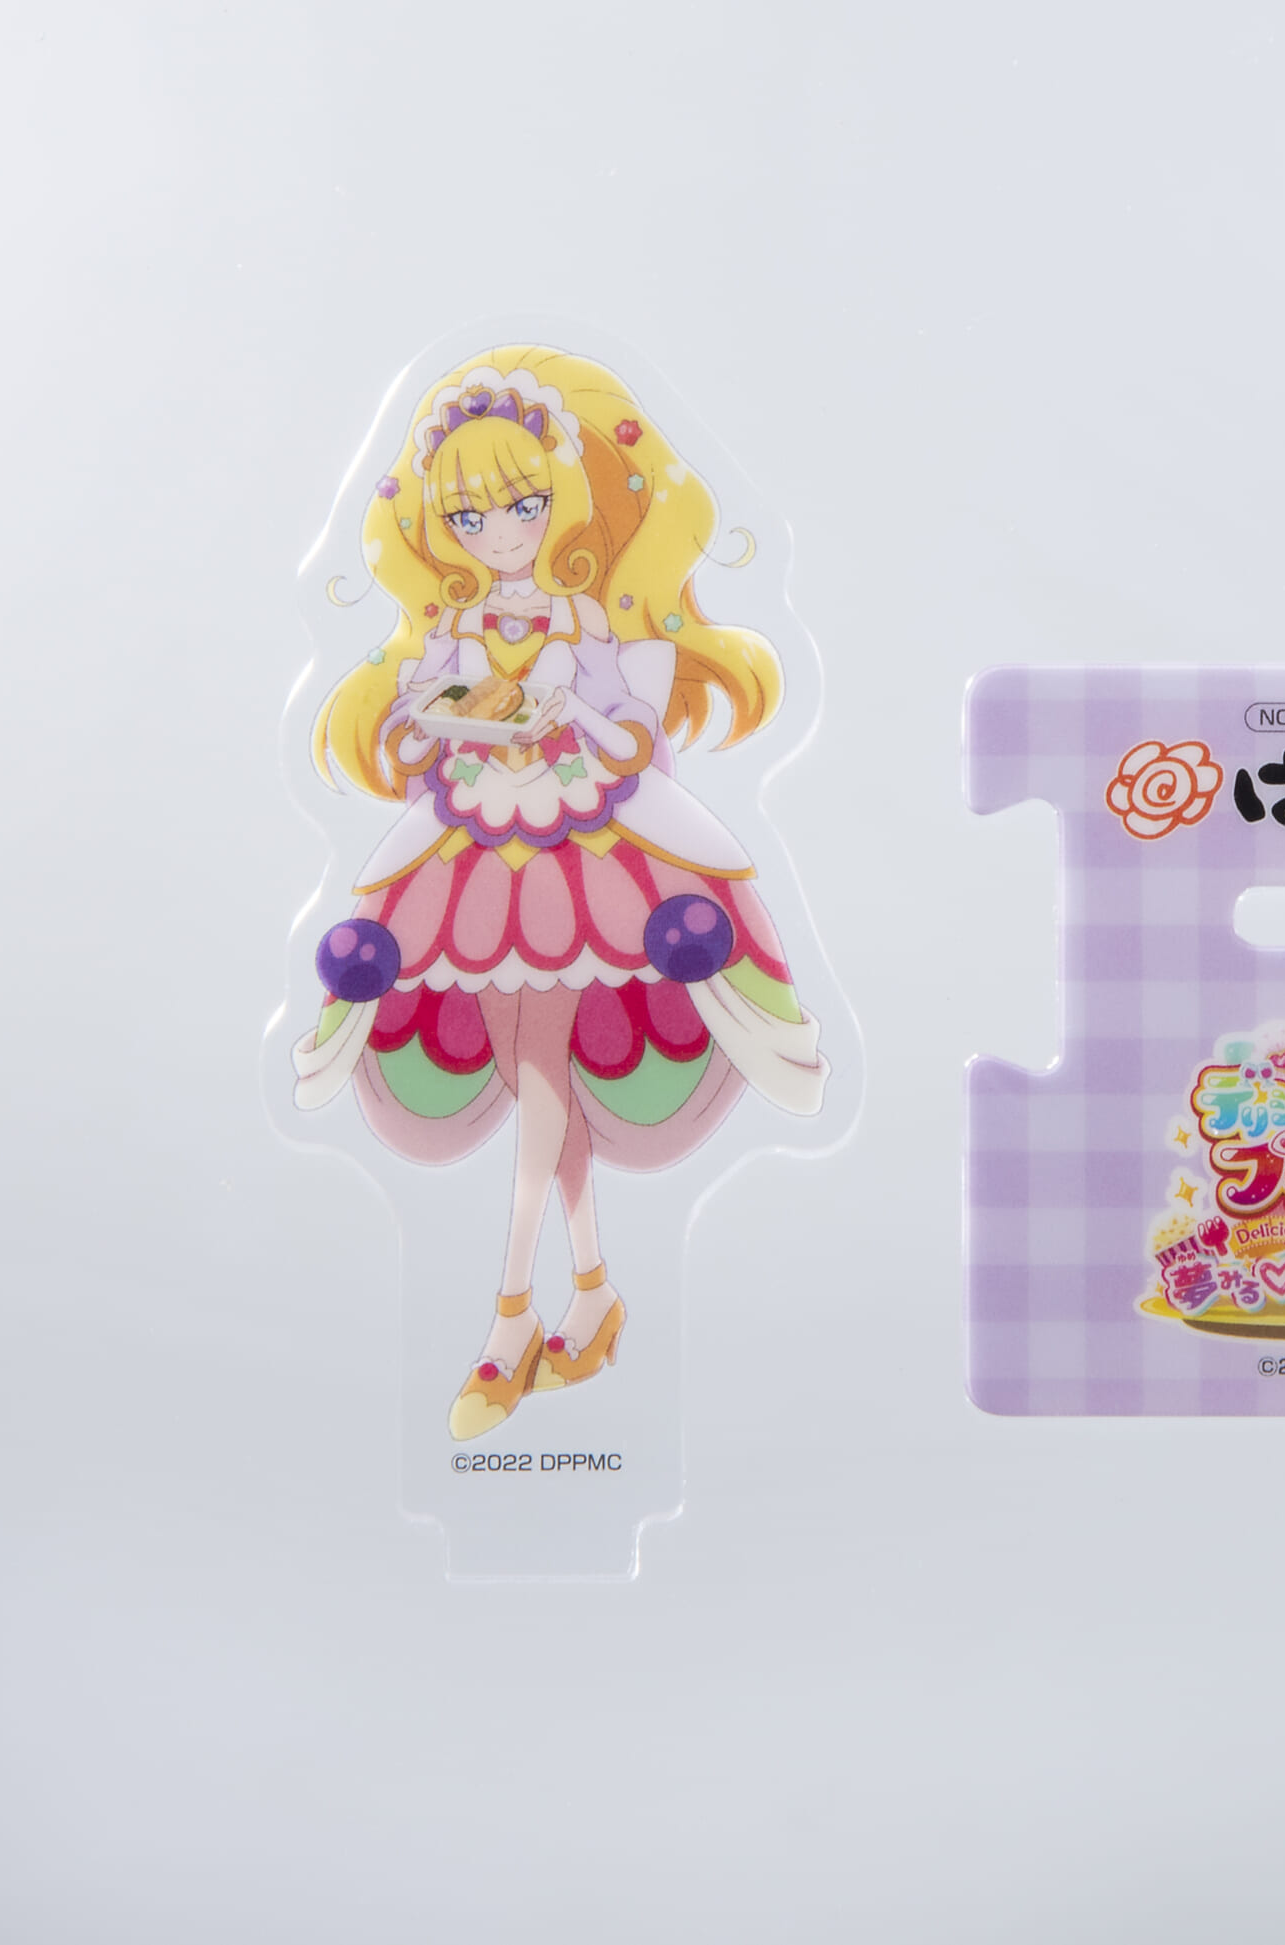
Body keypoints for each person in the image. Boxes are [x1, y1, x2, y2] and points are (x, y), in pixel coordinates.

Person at [292, 348, 825, 1439]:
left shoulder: (598, 623)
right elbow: (420, 735)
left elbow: (634, 742)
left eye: (522, 505)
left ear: (564, 498)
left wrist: (564, 709)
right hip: (472, 850)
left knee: (543, 1067)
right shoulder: (452, 631)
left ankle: (510, 1315)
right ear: (438, 526)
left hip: (593, 850)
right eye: (469, 516)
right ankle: (591, 1289)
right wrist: (430, 718)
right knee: (536, 1069)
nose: (499, 535)